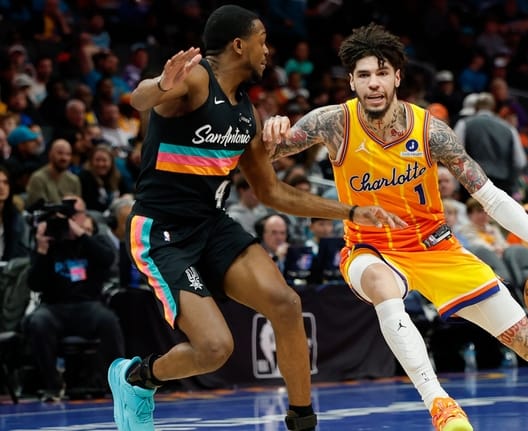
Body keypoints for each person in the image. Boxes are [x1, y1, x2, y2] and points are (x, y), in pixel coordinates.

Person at [264, 23, 528, 431]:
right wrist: (270, 132)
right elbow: (261, 152)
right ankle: (441, 406)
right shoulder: (333, 123)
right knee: (383, 287)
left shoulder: (429, 130)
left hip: (436, 248)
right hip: (370, 248)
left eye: (381, 72)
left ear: (397, 76)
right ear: (352, 81)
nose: (373, 83)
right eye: (363, 75)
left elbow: (490, 195)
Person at [107, 7, 404, 431]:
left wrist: (351, 210)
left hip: (212, 224)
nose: (268, 49)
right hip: (163, 232)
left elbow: (272, 192)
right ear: (238, 45)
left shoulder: (247, 113)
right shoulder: (194, 79)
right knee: (214, 348)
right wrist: (158, 85)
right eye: (262, 40)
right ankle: (136, 378)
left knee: (286, 304)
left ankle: (302, 422)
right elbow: (139, 99)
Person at [24, 195, 124, 401]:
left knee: (108, 321)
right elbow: (34, 283)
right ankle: (53, 385)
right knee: (37, 321)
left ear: (83, 216)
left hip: (88, 306)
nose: (66, 221)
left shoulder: (93, 240)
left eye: (73, 215)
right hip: (55, 307)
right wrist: (42, 250)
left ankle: (118, 382)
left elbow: (108, 259)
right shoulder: (48, 243)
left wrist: (80, 235)